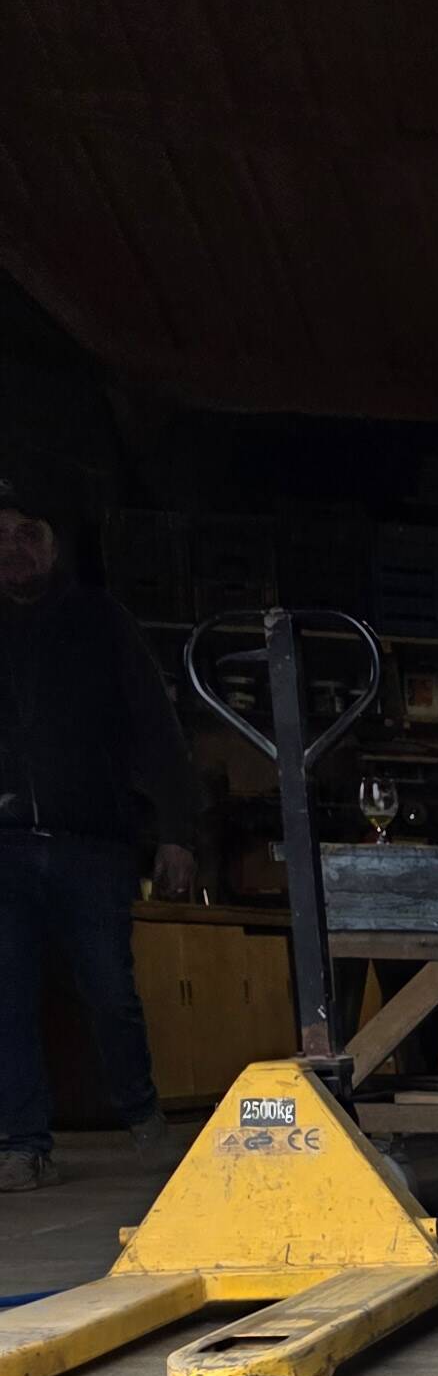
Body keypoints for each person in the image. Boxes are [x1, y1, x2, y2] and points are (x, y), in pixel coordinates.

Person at [0, 480, 205, 1190]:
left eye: (29, 533)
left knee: (111, 990)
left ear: (54, 546)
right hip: (5, 847)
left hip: (93, 844)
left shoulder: (100, 620)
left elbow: (157, 727)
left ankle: (144, 1119)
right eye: (1, 537)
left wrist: (176, 833)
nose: (15, 549)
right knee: (8, 997)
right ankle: (23, 1145)